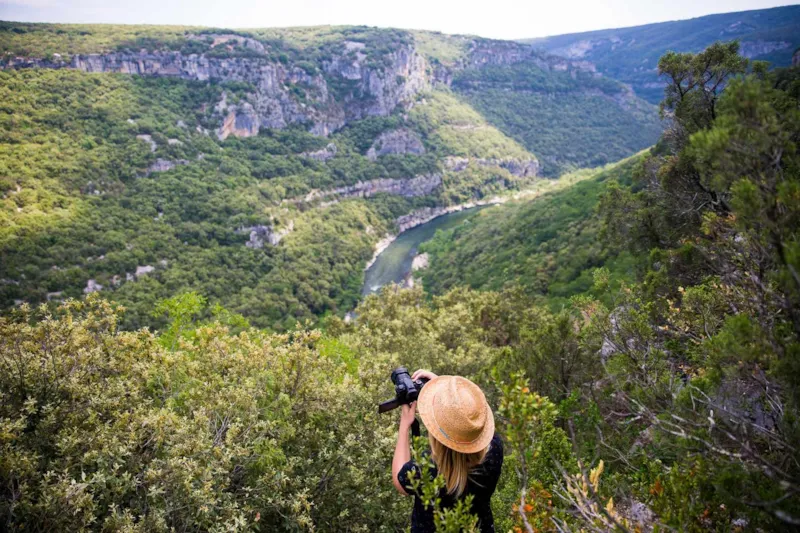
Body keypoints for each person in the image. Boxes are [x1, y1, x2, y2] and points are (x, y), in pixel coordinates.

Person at [392, 369, 504, 532]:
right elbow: (473, 423)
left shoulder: (427, 470)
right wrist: (450, 395)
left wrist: (404, 425)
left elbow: (399, 481)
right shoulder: (493, 449)